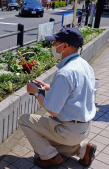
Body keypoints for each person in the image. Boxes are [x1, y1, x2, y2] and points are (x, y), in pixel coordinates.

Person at [18, 28, 97, 168]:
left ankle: (50, 158)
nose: (53, 46)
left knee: (24, 120)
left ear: (65, 46)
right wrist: (50, 87)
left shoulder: (65, 73)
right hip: (84, 127)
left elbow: (52, 110)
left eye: (55, 43)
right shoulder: (84, 65)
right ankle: (83, 149)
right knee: (47, 139)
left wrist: (36, 92)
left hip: (67, 129)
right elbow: (77, 91)